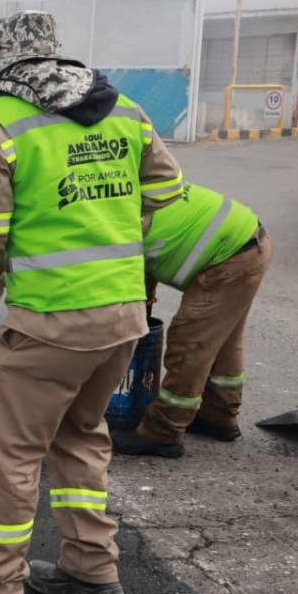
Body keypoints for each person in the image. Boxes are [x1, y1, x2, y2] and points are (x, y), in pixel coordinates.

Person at [0, 11, 184, 594]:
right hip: (121, 317)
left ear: (4, 63)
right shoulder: (124, 110)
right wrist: (105, 226)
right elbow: (168, 187)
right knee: (80, 436)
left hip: (50, 328)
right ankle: (91, 569)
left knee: (10, 459)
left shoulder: (0, 121)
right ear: (57, 56)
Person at [111, 185, 272, 458]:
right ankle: (219, 417)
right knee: (225, 341)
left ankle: (162, 432)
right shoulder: (138, 192)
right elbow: (141, 270)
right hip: (250, 242)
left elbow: (126, 274)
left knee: (189, 344)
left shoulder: (117, 221)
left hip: (227, 258)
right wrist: (146, 300)